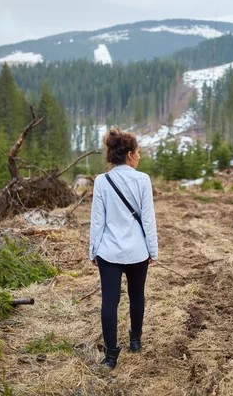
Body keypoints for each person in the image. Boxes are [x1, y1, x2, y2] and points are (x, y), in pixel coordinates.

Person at [89, 129, 158, 369]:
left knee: (109, 302)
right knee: (137, 295)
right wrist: (153, 251)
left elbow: (97, 220)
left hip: (109, 252)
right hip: (138, 251)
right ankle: (135, 341)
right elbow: (148, 219)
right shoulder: (142, 180)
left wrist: (93, 251)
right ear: (129, 154)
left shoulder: (101, 181)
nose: (139, 157)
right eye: (138, 152)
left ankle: (110, 356)